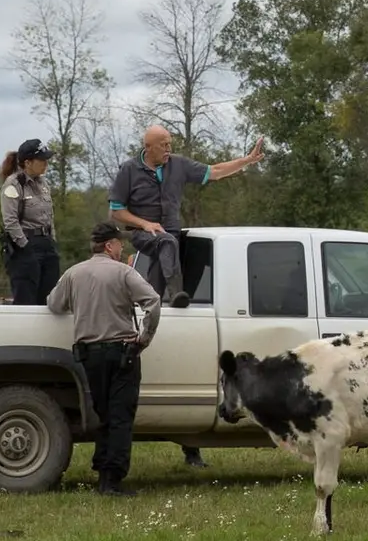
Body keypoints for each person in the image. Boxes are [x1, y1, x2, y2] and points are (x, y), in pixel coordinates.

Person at [106, 124, 264, 468]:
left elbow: (214, 172)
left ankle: (170, 300)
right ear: (148, 146)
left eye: (170, 143)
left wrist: (248, 160)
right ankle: (176, 293)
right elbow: (116, 210)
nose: (169, 148)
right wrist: (144, 224)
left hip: (173, 239)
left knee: (172, 247)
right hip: (147, 237)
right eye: (163, 144)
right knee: (164, 242)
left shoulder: (177, 165)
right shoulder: (129, 170)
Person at [47, 221, 162, 497]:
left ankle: (103, 471)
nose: (122, 249)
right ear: (109, 245)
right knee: (121, 415)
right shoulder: (123, 273)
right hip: (123, 352)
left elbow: (54, 303)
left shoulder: (74, 274)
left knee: (103, 413)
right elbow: (153, 301)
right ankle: (112, 480)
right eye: (120, 244)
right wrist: (144, 338)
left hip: (89, 356)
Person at [0, 138, 60, 305]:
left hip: (46, 244)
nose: (45, 164)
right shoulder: (14, 184)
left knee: (49, 299)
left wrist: (52, 240)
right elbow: (10, 221)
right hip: (25, 245)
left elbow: (50, 215)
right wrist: (25, 248)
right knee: (26, 298)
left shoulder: (43, 183)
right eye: (41, 160)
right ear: (28, 162)